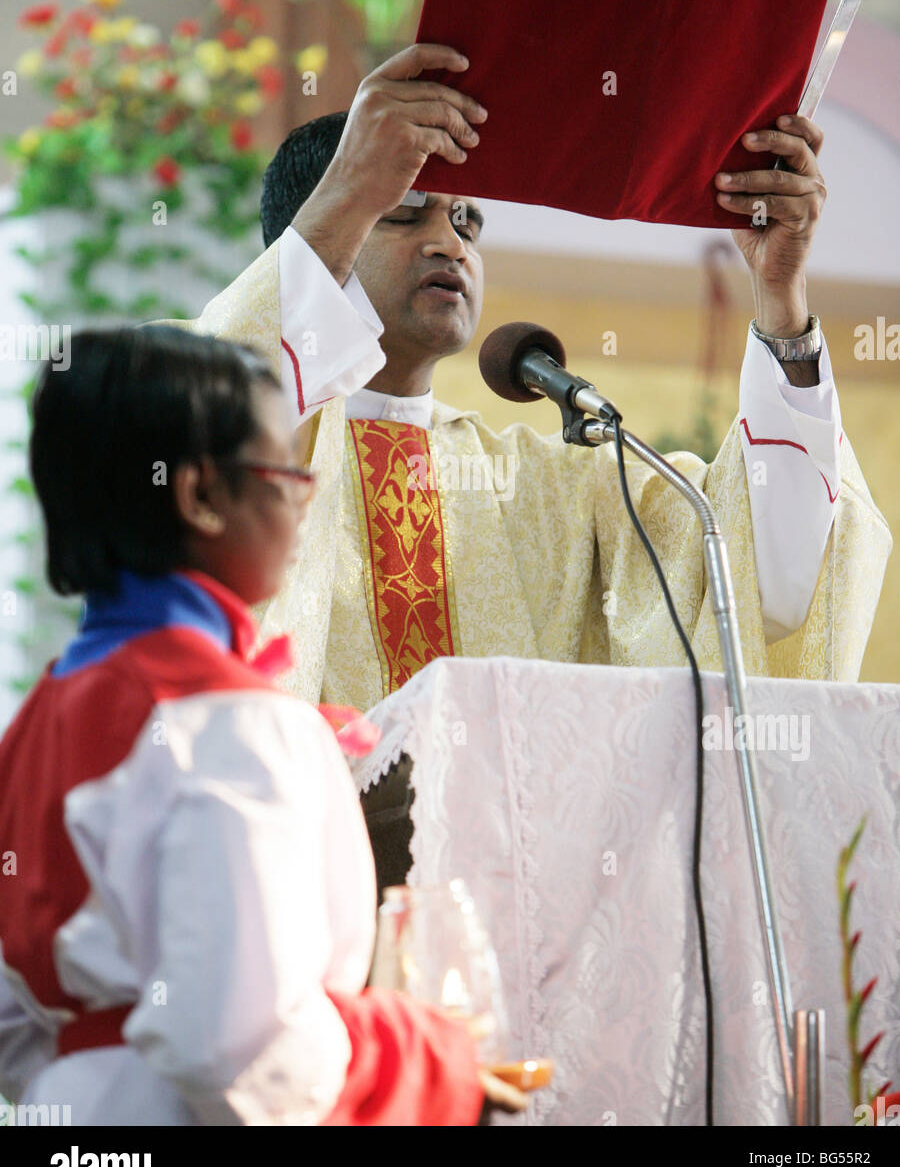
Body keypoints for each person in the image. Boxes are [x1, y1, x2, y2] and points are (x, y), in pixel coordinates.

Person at [156, 44, 891, 890]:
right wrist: (349, 190)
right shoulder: (264, 455)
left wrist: (780, 298)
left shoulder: (555, 484)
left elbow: (760, 574)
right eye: (406, 212)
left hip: (519, 918)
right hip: (293, 903)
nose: (450, 241)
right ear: (325, 223)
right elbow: (184, 442)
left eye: (468, 222)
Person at [0, 326, 525, 1125]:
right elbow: (237, 1044)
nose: (302, 495)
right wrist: (428, 1059)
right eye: (285, 469)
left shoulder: (35, 720)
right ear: (201, 496)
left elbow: (13, 1022)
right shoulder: (227, 721)